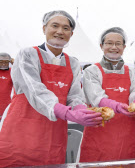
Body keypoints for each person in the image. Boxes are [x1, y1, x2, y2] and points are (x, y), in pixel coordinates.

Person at [0, 10, 103, 167]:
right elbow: (34, 90)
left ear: (71, 34)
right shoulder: (27, 55)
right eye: (54, 26)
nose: (60, 31)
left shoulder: (73, 63)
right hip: (21, 131)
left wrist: (81, 109)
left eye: (66, 28)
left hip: (53, 136)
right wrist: (67, 112)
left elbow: (75, 95)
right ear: (44, 29)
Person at [79, 27, 135, 162]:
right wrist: (118, 106)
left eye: (118, 44)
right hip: (99, 130)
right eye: (109, 43)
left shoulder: (131, 71)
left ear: (124, 47)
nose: (114, 47)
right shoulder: (92, 71)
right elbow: (96, 98)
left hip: (126, 133)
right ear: (101, 46)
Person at [0, 53, 13, 120]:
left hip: (6, 105)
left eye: (6, 62)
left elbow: (22, 73)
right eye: (1, 62)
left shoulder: (12, 72)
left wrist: (15, 63)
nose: (4, 64)